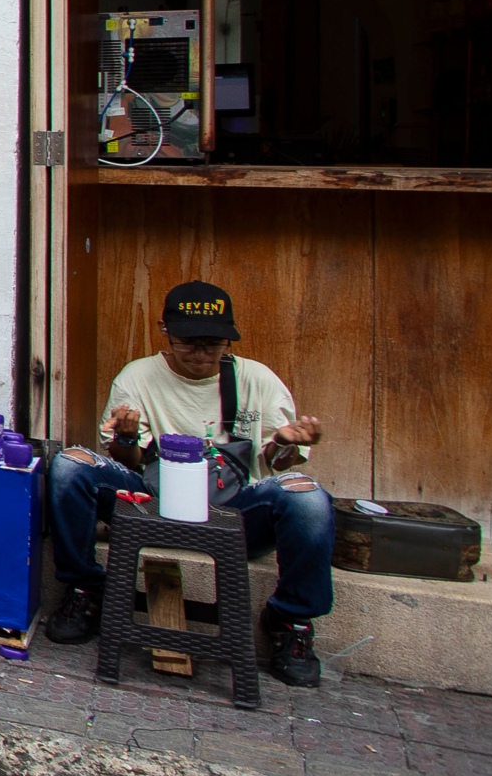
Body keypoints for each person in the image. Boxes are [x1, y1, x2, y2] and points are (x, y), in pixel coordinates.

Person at [43, 280, 333, 687]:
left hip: (234, 515)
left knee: (308, 497)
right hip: (151, 503)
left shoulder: (258, 380)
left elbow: (277, 463)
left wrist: (283, 444)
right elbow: (128, 461)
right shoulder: (138, 377)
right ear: (165, 331)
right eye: (188, 343)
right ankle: (84, 590)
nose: (200, 354)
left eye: (213, 345)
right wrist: (127, 438)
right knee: (70, 465)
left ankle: (291, 622)